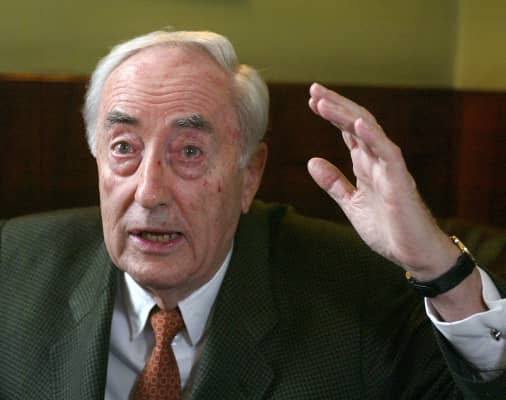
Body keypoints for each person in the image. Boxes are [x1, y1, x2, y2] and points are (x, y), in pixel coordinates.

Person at [1, 29, 505, 399]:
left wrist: (440, 269)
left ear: (249, 175)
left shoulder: (357, 298)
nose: (149, 193)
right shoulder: (13, 266)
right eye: (124, 147)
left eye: (190, 151)